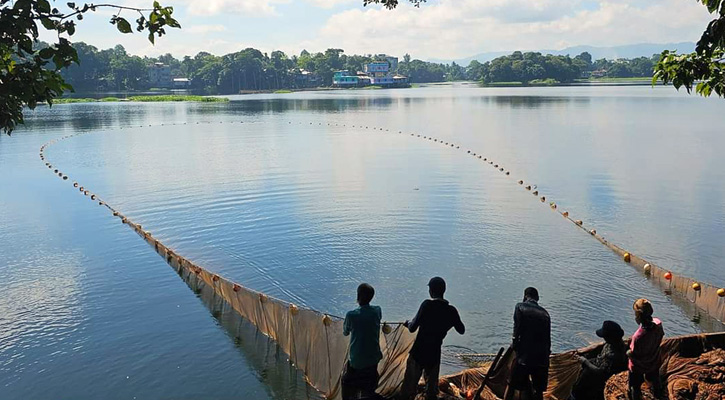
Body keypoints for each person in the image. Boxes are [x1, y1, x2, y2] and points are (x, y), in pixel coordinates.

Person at [400, 277, 465, 400]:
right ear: (444, 290)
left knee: (408, 389)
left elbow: (412, 327)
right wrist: (447, 324)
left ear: (431, 291)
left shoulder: (427, 305)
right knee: (431, 392)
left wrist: (407, 323)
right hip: (434, 354)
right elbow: (461, 330)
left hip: (418, 353)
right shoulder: (451, 311)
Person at [504, 287, 551, 400]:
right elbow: (548, 339)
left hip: (524, 358)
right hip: (542, 359)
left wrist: (515, 346)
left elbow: (517, 329)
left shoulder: (520, 306)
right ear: (538, 298)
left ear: (525, 296)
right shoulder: (545, 314)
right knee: (538, 391)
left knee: (511, 385)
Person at [342, 283, 383, 400]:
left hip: (356, 361)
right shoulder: (377, 311)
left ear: (358, 296)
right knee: (368, 388)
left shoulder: (351, 315)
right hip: (373, 358)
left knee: (346, 382)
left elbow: (345, 332)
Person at [570, 321, 628, 400]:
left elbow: (600, 372)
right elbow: (602, 345)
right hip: (597, 365)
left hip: (598, 380)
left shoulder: (613, 355)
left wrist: (584, 361)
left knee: (578, 392)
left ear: (609, 337)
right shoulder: (616, 344)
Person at [627, 298, 664, 400]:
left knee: (635, 385)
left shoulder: (638, 336)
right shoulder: (658, 324)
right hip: (654, 361)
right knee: (655, 379)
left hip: (639, 366)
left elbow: (633, 353)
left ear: (638, 316)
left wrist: (627, 352)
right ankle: (658, 393)